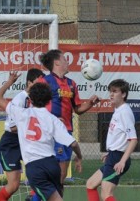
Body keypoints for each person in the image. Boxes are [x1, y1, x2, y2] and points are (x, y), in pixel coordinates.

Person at [0, 71, 83, 201]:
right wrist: (79, 157)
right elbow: (73, 143)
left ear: (31, 99)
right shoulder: (53, 119)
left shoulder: (21, 114)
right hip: (52, 165)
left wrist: (9, 82)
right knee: (54, 195)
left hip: (35, 167)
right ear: (49, 100)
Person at [36, 49, 99, 190]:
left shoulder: (71, 84)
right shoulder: (44, 81)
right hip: (50, 133)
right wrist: (50, 119)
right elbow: (34, 105)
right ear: (57, 62)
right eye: (65, 59)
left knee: (62, 175)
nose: (67, 61)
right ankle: (38, 196)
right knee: (52, 173)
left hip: (66, 133)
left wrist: (90, 103)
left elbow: (77, 109)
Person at [0, 68, 45, 201]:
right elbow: (12, 127)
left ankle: (32, 197)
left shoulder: (39, 100)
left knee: (41, 176)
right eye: (38, 82)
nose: (41, 85)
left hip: (27, 141)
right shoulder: (20, 99)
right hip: (12, 143)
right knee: (13, 185)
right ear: (29, 83)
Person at [85, 79, 137, 201]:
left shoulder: (125, 112)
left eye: (115, 91)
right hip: (113, 156)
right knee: (90, 184)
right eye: (110, 91)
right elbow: (120, 136)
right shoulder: (118, 110)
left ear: (123, 94)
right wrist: (110, 153)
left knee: (106, 194)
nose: (111, 94)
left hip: (118, 158)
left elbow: (133, 140)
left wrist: (122, 161)